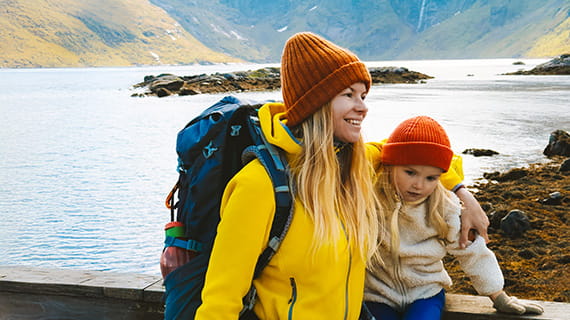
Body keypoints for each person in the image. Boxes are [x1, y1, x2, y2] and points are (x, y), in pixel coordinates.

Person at [195, 31, 381, 319]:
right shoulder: (259, 186)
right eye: (348, 95)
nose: (363, 107)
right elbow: (220, 302)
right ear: (315, 104)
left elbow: (413, 153)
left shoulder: (349, 167)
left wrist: (459, 191)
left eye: (363, 95)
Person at [363, 116, 544, 320]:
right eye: (410, 172)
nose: (419, 185)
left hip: (425, 294)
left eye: (431, 178)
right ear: (389, 165)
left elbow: (472, 252)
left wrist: (498, 296)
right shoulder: (370, 201)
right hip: (377, 295)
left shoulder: (445, 207)